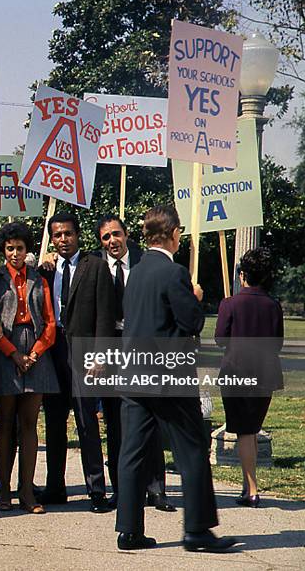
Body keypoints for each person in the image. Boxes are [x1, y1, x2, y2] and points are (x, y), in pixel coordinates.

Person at [116, 205, 235, 552]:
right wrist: (196, 298)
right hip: (169, 375)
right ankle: (196, 530)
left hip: (133, 373)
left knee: (132, 453)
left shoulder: (135, 272)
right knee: (192, 450)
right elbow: (191, 321)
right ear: (174, 234)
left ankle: (129, 530)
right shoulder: (174, 273)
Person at [92, 214, 175, 512]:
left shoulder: (146, 261)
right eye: (105, 237)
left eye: (116, 234)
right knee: (116, 424)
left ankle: (156, 489)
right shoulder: (95, 264)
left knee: (151, 420)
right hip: (111, 351)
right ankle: (123, 490)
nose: (112, 241)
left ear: (126, 235)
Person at [37, 212, 116, 513]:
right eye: (57, 235)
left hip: (84, 351)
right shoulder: (47, 270)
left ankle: (96, 489)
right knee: (54, 422)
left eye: (68, 234)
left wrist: (100, 354)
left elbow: (105, 316)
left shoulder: (95, 266)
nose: (63, 240)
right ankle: (55, 486)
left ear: (78, 235)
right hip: (53, 350)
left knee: (86, 421)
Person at [0, 222, 58, 513]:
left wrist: (35, 353)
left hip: (36, 349)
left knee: (30, 423)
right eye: (10, 248)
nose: (15, 253)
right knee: (5, 422)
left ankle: (27, 490)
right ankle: (3, 488)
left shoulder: (39, 280)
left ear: (28, 249)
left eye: (20, 248)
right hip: (6, 348)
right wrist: (14, 353)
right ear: (3, 250)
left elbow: (51, 322)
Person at [215, 247, 283, 508]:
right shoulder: (274, 305)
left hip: (237, 372)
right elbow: (278, 343)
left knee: (244, 432)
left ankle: (251, 490)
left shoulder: (230, 303)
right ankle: (248, 484)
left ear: (243, 275)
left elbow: (220, 339)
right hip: (265, 374)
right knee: (251, 431)